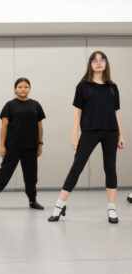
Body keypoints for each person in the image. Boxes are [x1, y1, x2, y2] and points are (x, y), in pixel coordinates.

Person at [48, 51, 125, 224]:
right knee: (77, 167)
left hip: (111, 131)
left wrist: (121, 134)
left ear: (106, 64)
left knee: (110, 168)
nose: (99, 63)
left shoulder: (113, 87)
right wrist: (74, 135)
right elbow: (77, 113)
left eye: (102, 60)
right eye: (95, 60)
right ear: (90, 64)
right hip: (90, 131)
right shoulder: (83, 86)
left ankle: (112, 208)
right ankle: (59, 205)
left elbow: (116, 112)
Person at [0, 78, 45, 210]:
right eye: (20, 87)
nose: (23, 89)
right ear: (15, 89)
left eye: (26, 86)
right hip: (13, 146)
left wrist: (40, 144)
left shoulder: (35, 105)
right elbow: (4, 126)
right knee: (4, 173)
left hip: (31, 146)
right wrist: (2, 146)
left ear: (29, 89)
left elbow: (40, 125)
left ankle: (32, 201)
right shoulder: (9, 105)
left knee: (31, 176)